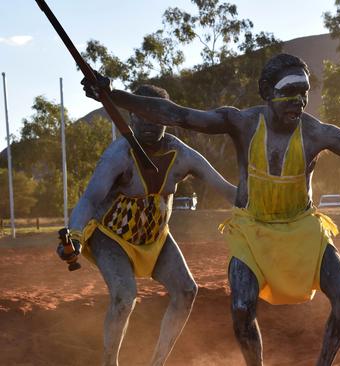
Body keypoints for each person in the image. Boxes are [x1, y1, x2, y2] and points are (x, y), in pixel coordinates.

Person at [81, 53, 340, 366]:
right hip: (254, 231)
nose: (297, 102)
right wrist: (111, 94)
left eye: (303, 94)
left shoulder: (318, 134)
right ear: (267, 95)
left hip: (303, 229)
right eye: (287, 94)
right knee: (242, 309)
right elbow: (176, 114)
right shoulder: (242, 123)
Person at [59, 84, 237, 366]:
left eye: (157, 118)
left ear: (168, 119)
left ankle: (158, 363)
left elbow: (228, 190)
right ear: (131, 118)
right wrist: (75, 236)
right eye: (143, 116)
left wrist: (263, 191)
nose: (150, 124)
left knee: (187, 291)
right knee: (125, 295)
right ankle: (109, 363)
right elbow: (91, 199)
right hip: (111, 237)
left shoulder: (183, 155)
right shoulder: (118, 155)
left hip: (156, 238)